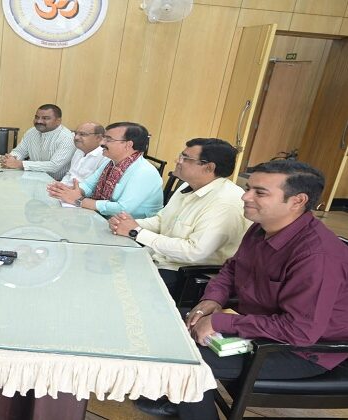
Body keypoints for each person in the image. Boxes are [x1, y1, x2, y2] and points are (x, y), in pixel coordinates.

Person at [136, 160, 348, 420]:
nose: (245, 197)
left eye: (260, 192)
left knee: (189, 360)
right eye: (248, 188)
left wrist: (220, 322)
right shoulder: (262, 227)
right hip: (256, 323)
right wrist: (212, 300)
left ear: (297, 201)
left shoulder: (317, 256)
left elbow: (301, 331)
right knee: (163, 320)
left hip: (301, 351)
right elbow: (232, 268)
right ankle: (179, 398)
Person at [109, 138, 249, 297]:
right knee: (111, 266)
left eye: (185, 158)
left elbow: (194, 252)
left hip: (191, 276)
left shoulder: (226, 202)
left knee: (121, 288)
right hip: (162, 259)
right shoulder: (188, 185)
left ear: (209, 167)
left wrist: (136, 232)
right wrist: (126, 224)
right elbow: (162, 220)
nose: (178, 160)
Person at [47, 122, 163, 219]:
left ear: (128, 145)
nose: (102, 143)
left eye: (108, 139)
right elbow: (89, 185)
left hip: (133, 230)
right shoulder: (111, 163)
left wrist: (80, 201)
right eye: (104, 138)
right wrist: (69, 190)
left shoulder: (144, 172)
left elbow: (122, 209)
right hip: (105, 220)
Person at [0, 104, 75, 181]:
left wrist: (19, 164)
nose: (39, 121)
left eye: (45, 118)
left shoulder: (67, 138)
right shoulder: (32, 132)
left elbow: (54, 166)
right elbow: (20, 151)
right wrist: (10, 158)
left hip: (57, 183)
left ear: (58, 121)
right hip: (31, 178)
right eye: (37, 117)